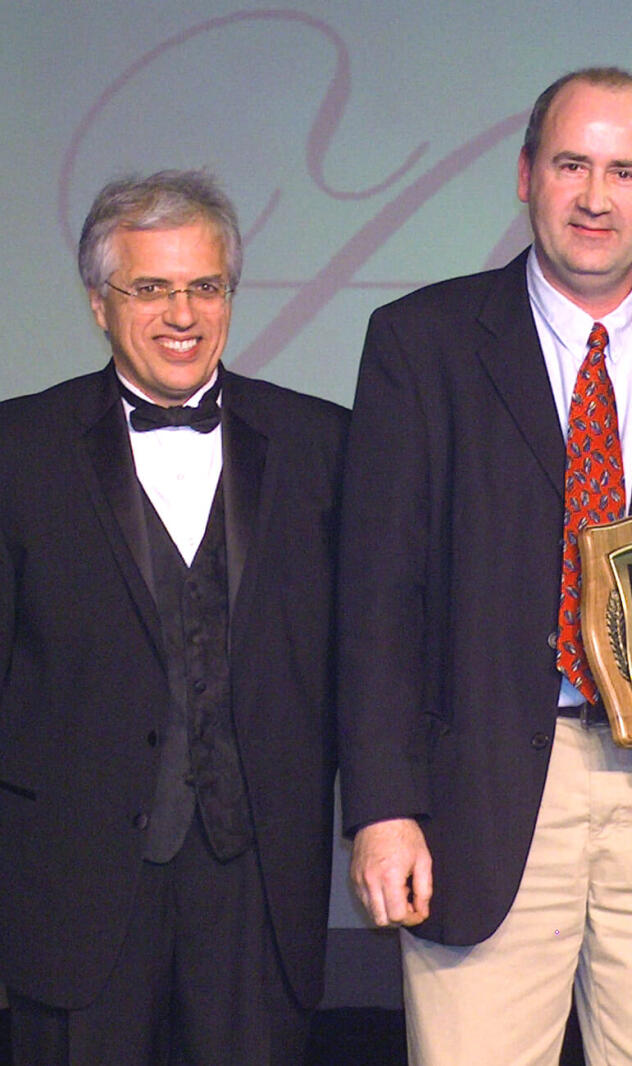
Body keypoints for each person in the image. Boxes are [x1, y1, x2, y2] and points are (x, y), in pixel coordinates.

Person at [336, 67, 632, 1065]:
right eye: (572, 165)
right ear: (524, 176)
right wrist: (381, 805)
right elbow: (378, 598)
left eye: (625, 170)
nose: (597, 196)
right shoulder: (420, 343)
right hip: (485, 796)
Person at [0, 171, 346, 1064]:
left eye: (204, 286)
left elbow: (369, 659)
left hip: (259, 887)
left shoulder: (325, 446)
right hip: (70, 891)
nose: (180, 313)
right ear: (98, 304)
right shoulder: (17, 450)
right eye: (149, 288)